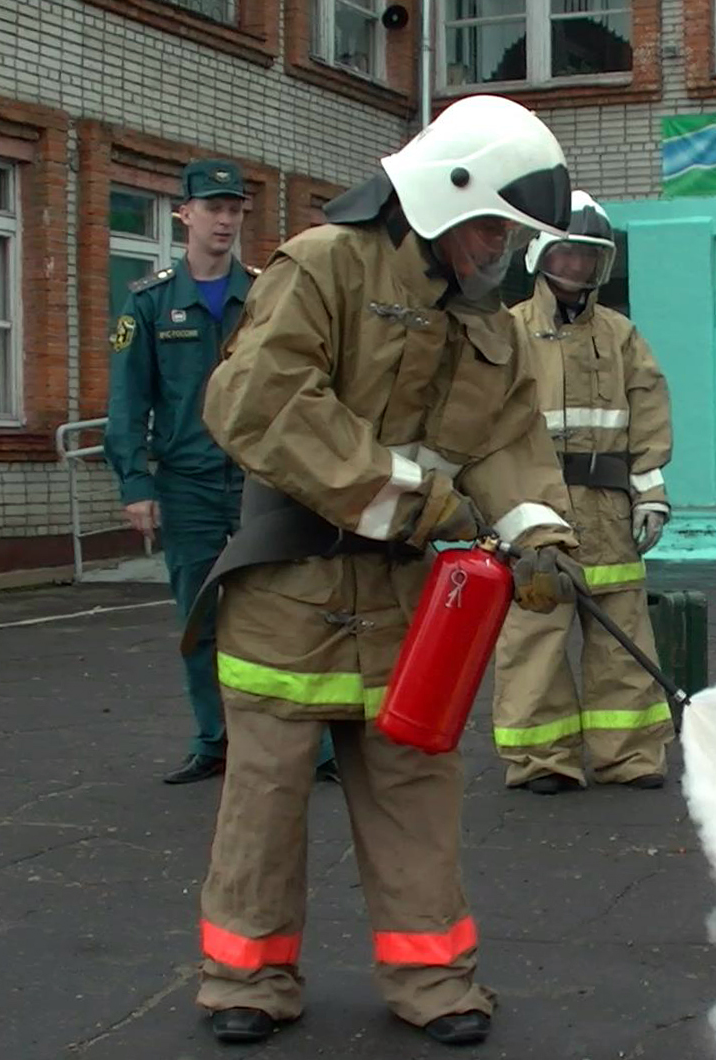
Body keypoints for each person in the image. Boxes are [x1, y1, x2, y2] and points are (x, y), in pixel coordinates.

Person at [180, 94, 591, 1047]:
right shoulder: (326, 264)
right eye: (493, 227)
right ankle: (246, 979)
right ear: (446, 199)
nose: (502, 251)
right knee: (267, 799)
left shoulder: (489, 323)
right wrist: (414, 502)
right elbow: (259, 401)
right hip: (291, 590)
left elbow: (510, 441)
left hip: (409, 600)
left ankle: (435, 981)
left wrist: (540, 534)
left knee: (415, 791)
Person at [104, 158, 338, 786]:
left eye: (235, 209)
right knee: (201, 617)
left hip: (264, 479)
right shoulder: (149, 303)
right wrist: (135, 485)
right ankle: (215, 740)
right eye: (213, 208)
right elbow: (129, 402)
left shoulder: (264, 293)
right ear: (185, 214)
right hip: (189, 485)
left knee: (288, 612)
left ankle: (311, 750)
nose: (225, 220)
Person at [491, 190, 675, 795]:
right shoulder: (507, 331)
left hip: (608, 510)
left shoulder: (621, 336)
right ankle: (542, 758)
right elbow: (480, 420)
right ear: (541, 253)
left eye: (588, 258)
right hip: (532, 508)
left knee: (623, 632)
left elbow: (648, 414)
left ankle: (629, 755)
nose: (576, 268)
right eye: (567, 254)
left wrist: (650, 495)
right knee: (535, 634)